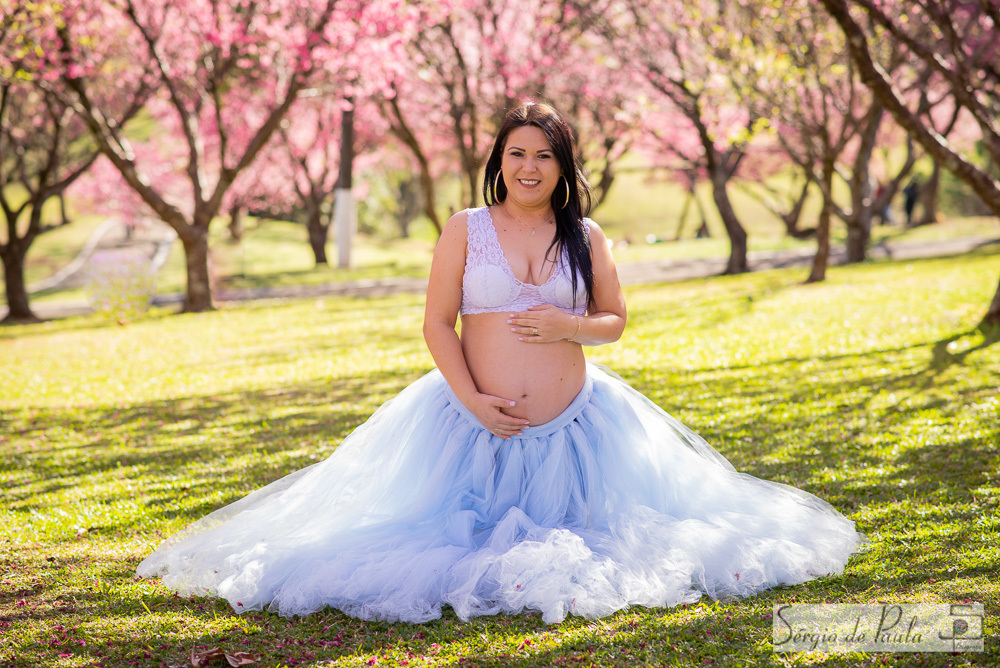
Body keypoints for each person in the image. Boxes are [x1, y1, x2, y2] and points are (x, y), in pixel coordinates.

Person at [137, 102, 864, 624]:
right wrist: (471, 400)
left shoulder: (585, 234)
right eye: (516, 153)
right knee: (434, 541)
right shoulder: (466, 228)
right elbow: (436, 321)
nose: (529, 165)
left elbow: (614, 324)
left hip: (582, 427)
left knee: (617, 537)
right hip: (468, 421)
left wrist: (566, 324)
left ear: (562, 166)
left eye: (544, 154)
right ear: (498, 162)